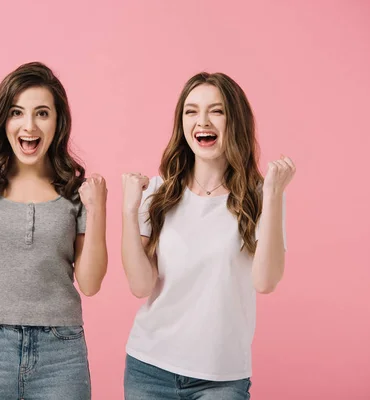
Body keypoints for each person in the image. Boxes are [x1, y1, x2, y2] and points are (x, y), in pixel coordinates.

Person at [121, 71, 295, 399]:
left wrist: (273, 196)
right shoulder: (158, 193)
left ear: (235, 121)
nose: (203, 121)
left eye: (216, 111)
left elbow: (265, 281)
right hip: (149, 370)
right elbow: (140, 285)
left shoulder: (260, 196)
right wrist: (129, 212)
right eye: (191, 111)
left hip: (222, 378)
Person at [0, 62, 108, 400]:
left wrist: (98, 211)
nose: (29, 125)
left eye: (42, 113)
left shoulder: (76, 193)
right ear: (4, 121)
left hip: (60, 353)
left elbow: (90, 284)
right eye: (17, 112)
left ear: (58, 122)